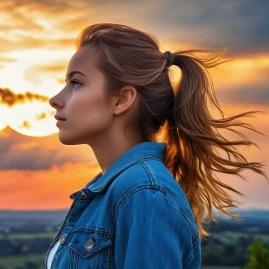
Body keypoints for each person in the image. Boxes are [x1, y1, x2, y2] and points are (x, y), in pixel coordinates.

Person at [45, 23, 267, 268]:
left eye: (76, 83)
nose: (55, 100)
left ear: (122, 99)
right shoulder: (117, 191)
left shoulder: (145, 194)